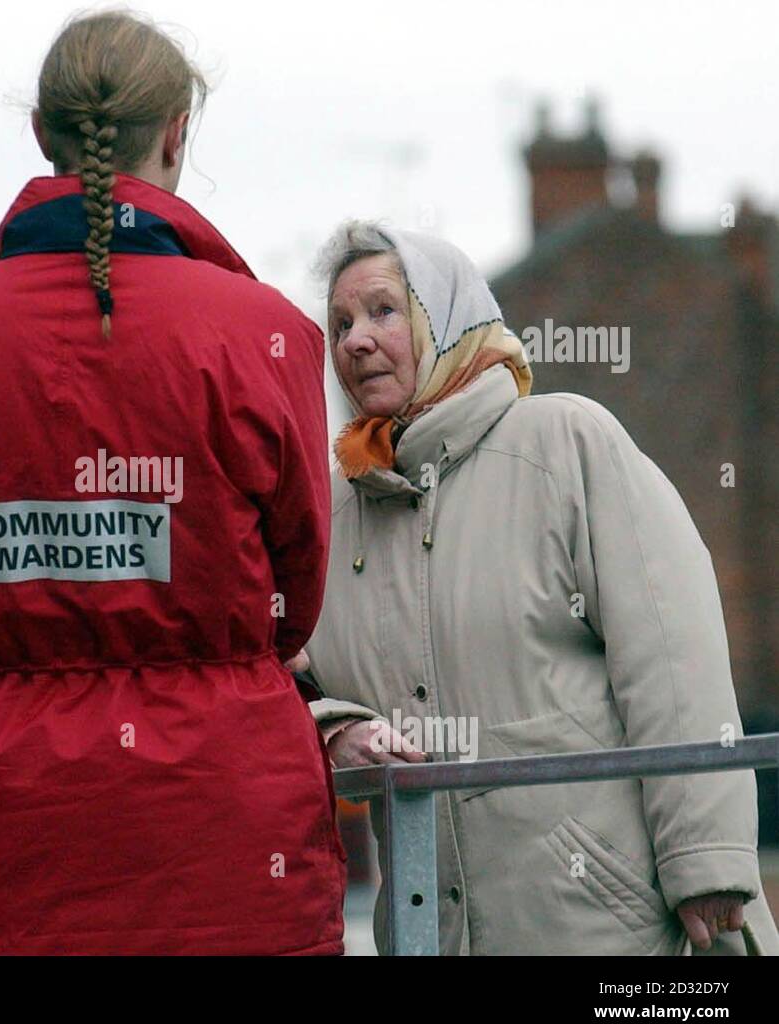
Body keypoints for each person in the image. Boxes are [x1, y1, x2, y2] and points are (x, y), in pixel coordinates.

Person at [0, 10, 345, 954]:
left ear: (44, 135)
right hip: (224, 817)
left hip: (4, 817)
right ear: (178, 133)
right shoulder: (262, 330)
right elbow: (297, 587)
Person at [303, 220, 779, 955]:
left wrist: (707, 864)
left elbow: (671, 652)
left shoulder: (564, 444)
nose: (355, 340)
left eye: (383, 311)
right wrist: (337, 728)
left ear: (447, 319)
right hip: (432, 934)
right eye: (339, 323)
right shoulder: (332, 517)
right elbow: (281, 678)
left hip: (609, 928)